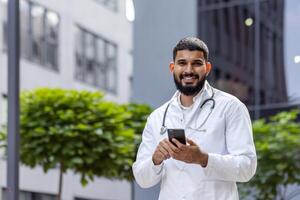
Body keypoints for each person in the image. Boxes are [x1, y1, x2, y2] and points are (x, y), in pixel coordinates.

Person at [132, 37, 257, 200]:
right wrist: (155, 159)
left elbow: (247, 167)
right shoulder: (157, 117)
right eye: (182, 63)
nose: (188, 70)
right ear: (172, 67)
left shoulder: (230, 107)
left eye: (197, 63)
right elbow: (142, 179)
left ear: (207, 68)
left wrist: (203, 158)